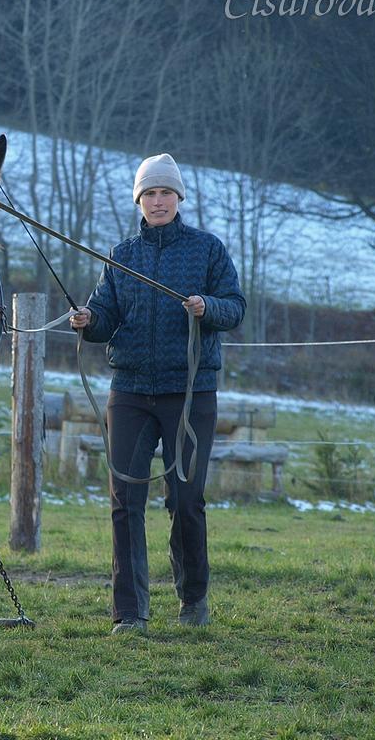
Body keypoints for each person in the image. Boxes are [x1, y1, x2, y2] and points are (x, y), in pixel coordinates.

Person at [70, 153, 245, 634]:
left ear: (179, 197)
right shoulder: (121, 255)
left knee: (185, 499)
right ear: (139, 200)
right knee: (124, 500)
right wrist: (88, 321)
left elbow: (235, 308)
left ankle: (193, 599)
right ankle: (130, 612)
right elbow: (105, 317)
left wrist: (207, 307)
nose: (158, 200)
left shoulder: (208, 250)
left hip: (190, 392)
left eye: (166, 192)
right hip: (129, 392)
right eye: (150, 193)